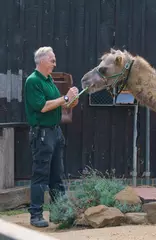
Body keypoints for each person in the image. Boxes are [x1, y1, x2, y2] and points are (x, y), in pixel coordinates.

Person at [24, 46, 79, 227]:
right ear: (41, 61)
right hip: (42, 133)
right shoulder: (33, 81)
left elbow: (61, 104)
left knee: (57, 175)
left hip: (55, 132)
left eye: (54, 60)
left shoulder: (48, 80)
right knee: (41, 175)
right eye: (52, 60)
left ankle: (59, 213)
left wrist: (72, 98)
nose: (55, 64)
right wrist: (64, 99)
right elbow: (42, 106)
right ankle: (36, 215)